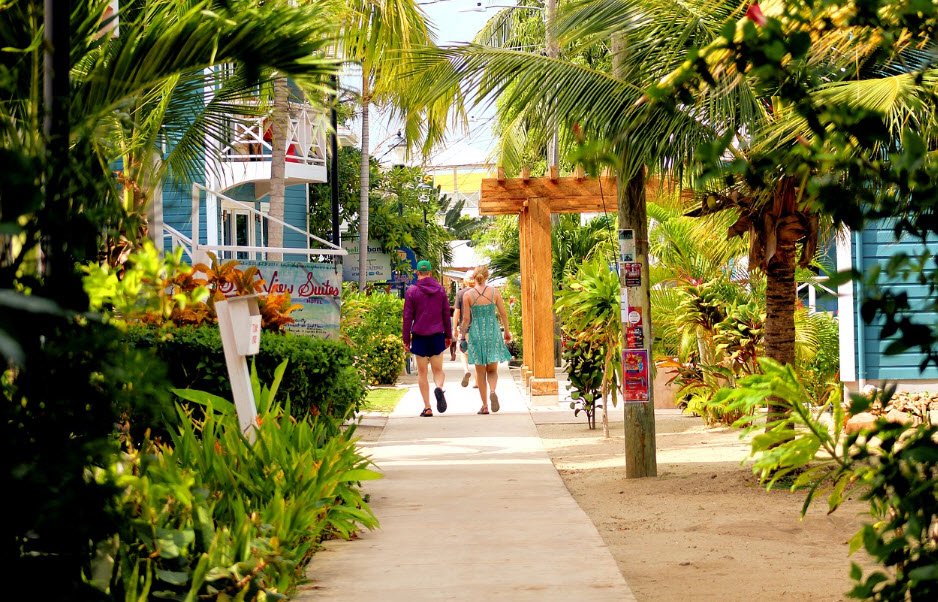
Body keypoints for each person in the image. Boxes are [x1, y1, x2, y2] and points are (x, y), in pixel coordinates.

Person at [459, 265, 511, 414]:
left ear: (474, 277)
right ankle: (493, 391)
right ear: (487, 276)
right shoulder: (494, 292)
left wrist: (462, 335)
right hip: (493, 332)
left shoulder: (468, 295)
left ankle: (485, 406)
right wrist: (506, 331)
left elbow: (466, 319)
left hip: (477, 334)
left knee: (480, 372)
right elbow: (503, 314)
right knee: (493, 370)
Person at [402, 259, 452, 417]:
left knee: (422, 373)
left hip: (419, 336)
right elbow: (446, 314)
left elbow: (407, 317)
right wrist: (448, 335)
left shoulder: (412, 291)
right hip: (437, 334)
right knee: (438, 370)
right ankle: (439, 387)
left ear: (417, 273)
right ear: (430, 273)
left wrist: (406, 339)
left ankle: (428, 407)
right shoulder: (440, 290)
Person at [452, 270, 477, 388]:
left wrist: (454, 328)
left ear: (465, 280)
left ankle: (466, 370)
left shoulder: (460, 293)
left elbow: (456, 312)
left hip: (464, 328)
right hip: (478, 328)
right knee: (477, 354)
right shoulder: (480, 292)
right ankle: (477, 381)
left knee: (463, 351)